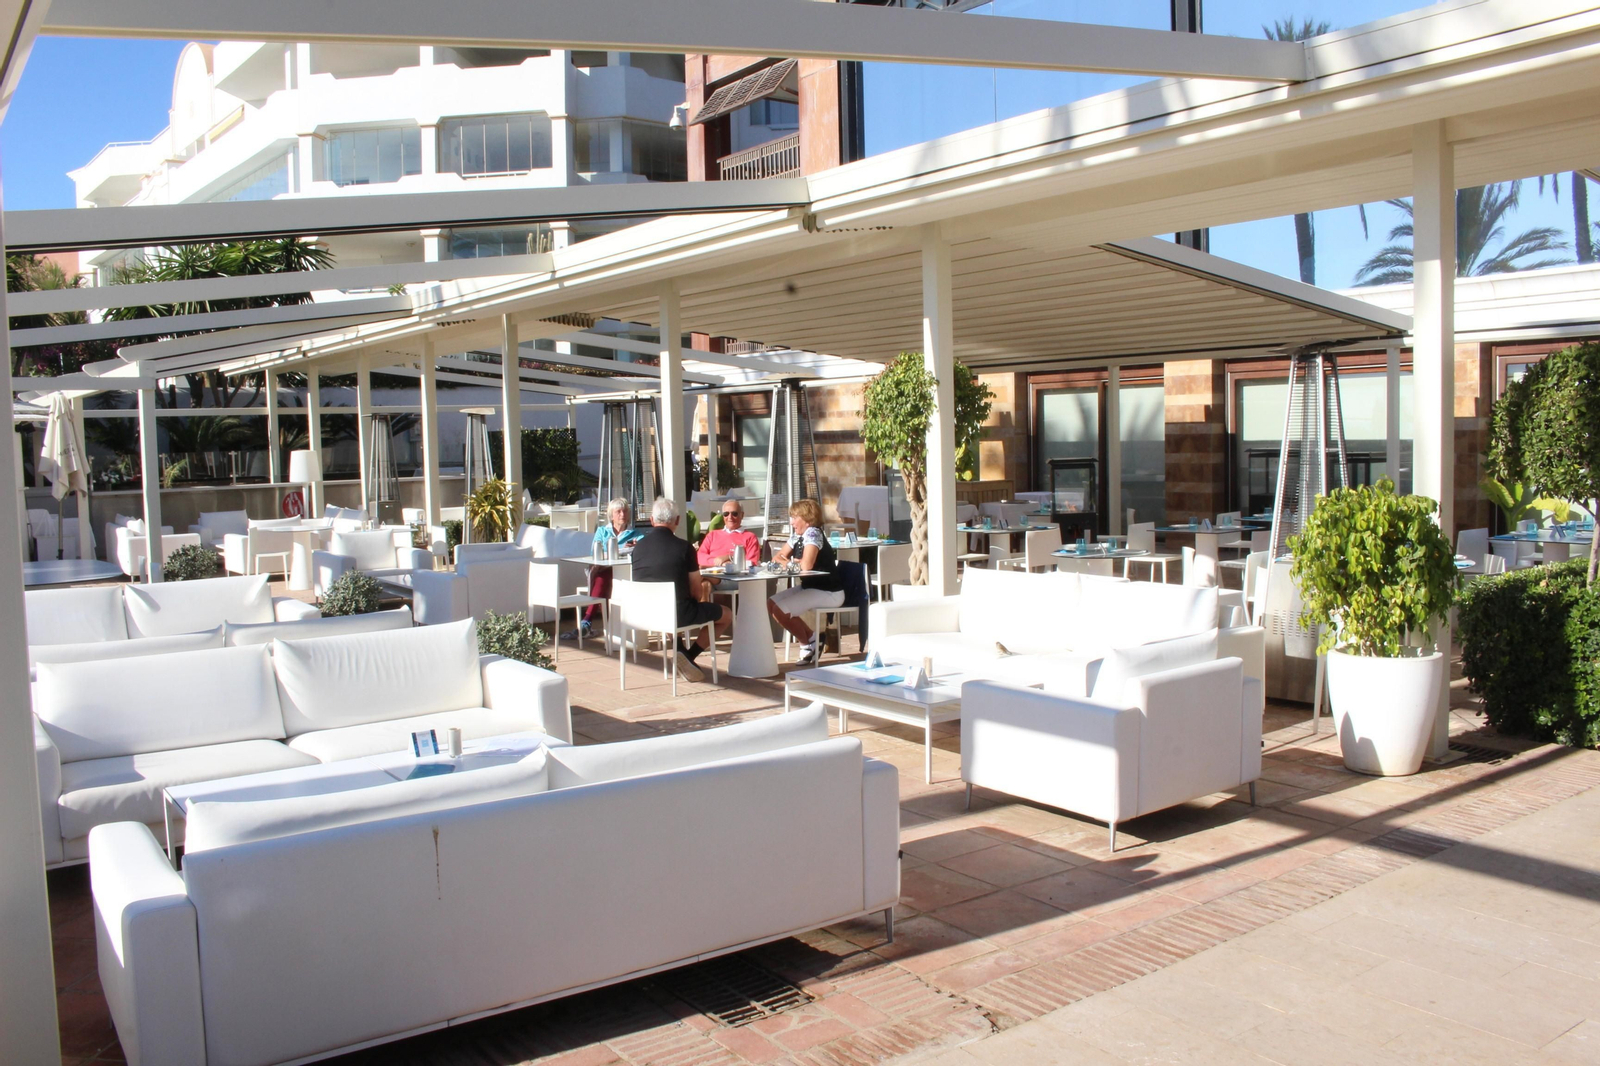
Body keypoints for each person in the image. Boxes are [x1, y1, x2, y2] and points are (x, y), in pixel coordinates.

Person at [629, 497, 731, 683]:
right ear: (677, 521)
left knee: (670, 607)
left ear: (652, 520)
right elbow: (696, 592)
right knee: (726, 615)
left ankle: (682, 653)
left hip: (643, 613)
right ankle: (689, 656)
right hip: (674, 614)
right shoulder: (684, 548)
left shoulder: (638, 548)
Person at [768, 498, 844, 665]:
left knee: (780, 610)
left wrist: (788, 563)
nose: (792, 522)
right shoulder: (798, 536)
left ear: (808, 519)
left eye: (795, 517)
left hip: (828, 591)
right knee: (771, 603)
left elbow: (806, 566)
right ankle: (812, 638)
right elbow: (776, 557)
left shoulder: (813, 533)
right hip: (810, 586)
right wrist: (792, 563)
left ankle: (807, 644)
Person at [562, 498, 641, 640]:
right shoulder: (602, 531)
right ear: (611, 515)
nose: (622, 515)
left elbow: (641, 550)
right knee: (602, 577)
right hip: (603, 570)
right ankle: (590, 623)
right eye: (618, 512)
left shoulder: (635, 534)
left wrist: (634, 546)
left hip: (625, 574)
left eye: (624, 511)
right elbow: (595, 553)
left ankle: (587, 621)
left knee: (602, 578)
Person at [697, 498, 762, 568]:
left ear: (742, 515)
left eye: (734, 514)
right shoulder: (712, 535)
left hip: (733, 576)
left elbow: (752, 562)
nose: (730, 517)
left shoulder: (750, 537)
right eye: (726, 514)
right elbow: (700, 557)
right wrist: (718, 562)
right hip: (711, 572)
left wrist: (730, 558)